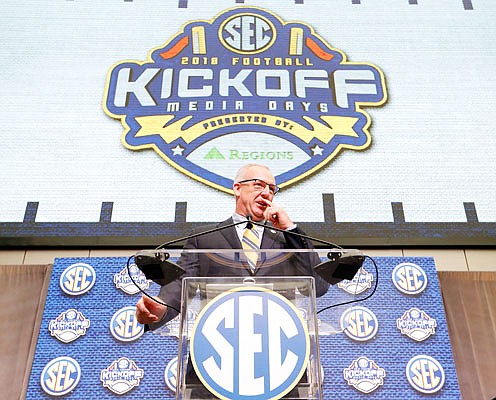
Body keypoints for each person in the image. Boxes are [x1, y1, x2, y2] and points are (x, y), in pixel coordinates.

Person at [135, 163, 329, 327]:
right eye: (258, 185)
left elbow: (318, 286)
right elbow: (181, 284)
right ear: (237, 188)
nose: (266, 193)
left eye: (271, 189)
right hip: (217, 344)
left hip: (280, 347)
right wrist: (161, 306)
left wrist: (290, 229)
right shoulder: (204, 239)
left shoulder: (287, 239)